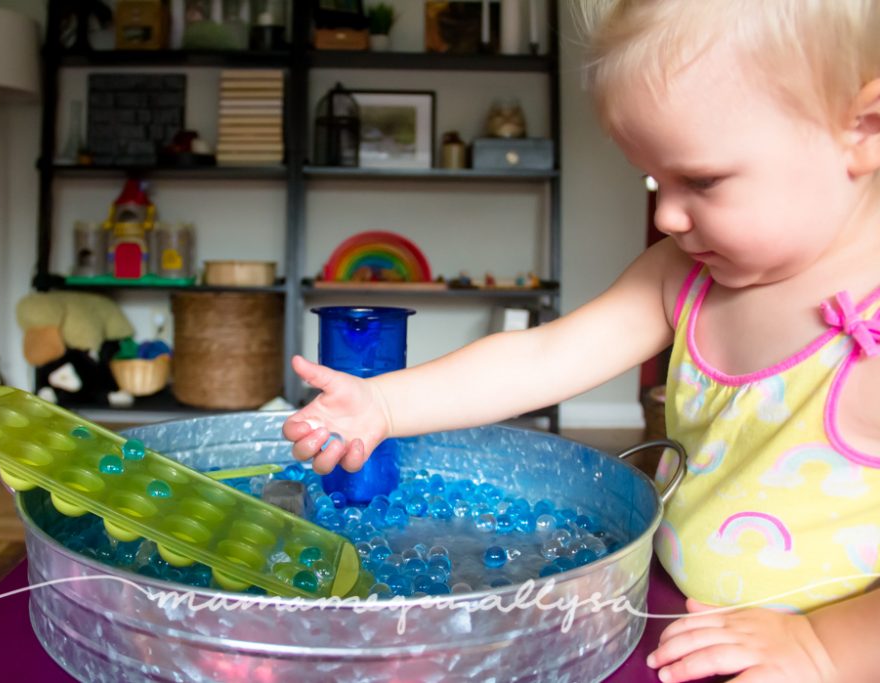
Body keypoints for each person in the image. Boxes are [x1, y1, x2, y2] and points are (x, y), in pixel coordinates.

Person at [283, 1, 880, 680]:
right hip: (667, 601)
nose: (666, 214)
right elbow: (543, 355)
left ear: (862, 130)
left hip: (826, 648)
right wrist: (383, 405)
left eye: (703, 180)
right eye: (653, 179)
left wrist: (826, 647)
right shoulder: (683, 275)